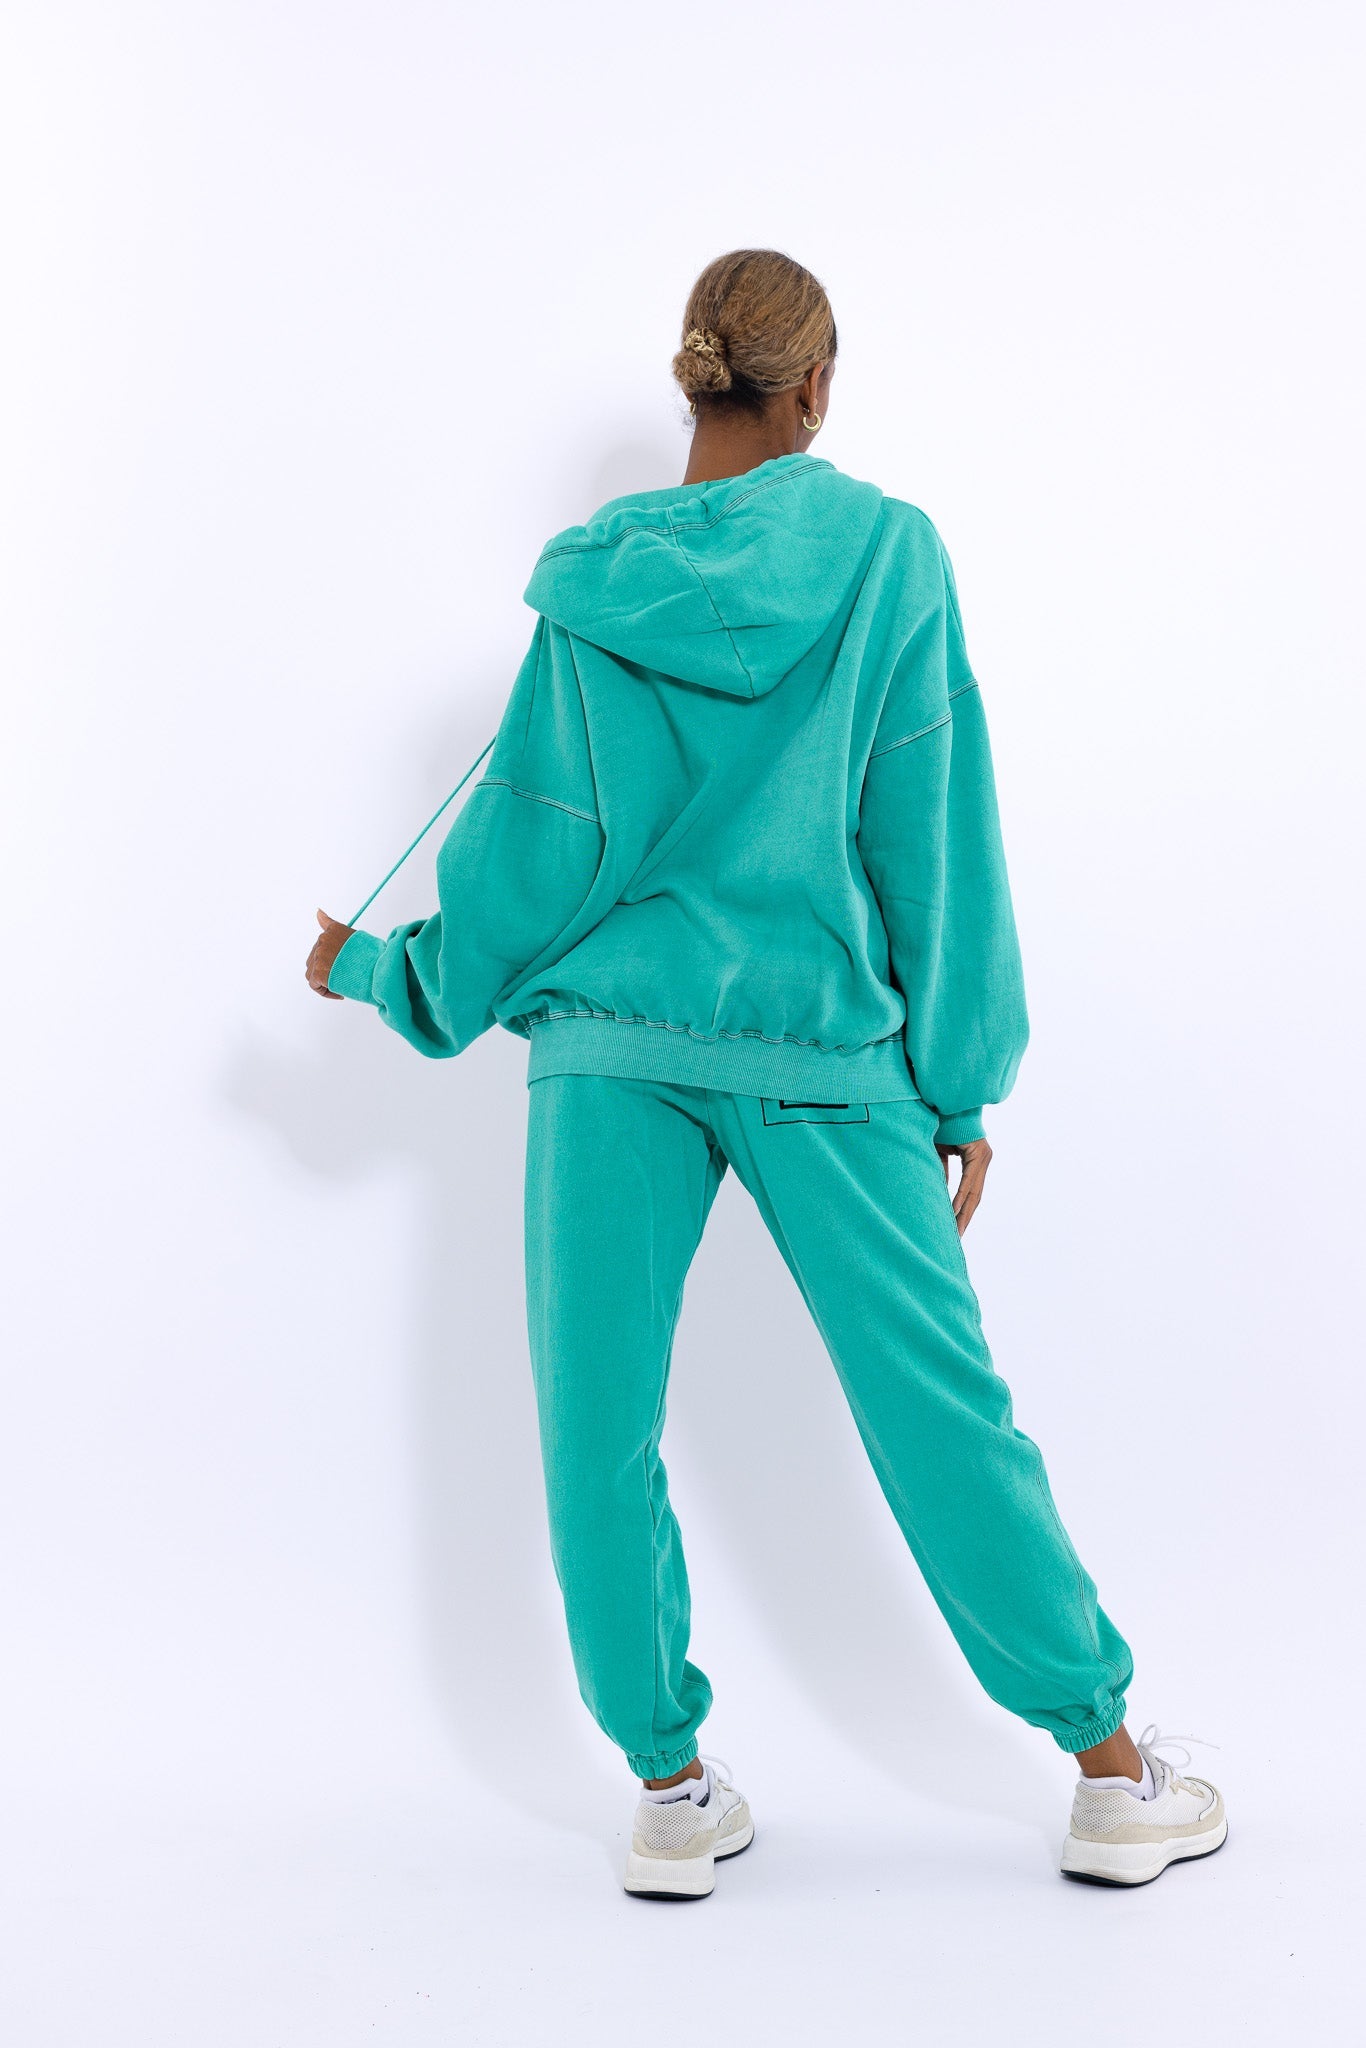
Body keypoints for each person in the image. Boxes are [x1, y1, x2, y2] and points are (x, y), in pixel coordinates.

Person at [306, 249, 1225, 1896]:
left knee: (597, 1427)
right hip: (825, 1055)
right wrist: (958, 1084)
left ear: (694, 384)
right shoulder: (888, 554)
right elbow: (929, 830)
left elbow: (532, 853)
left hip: (606, 1055)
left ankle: (667, 1791)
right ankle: (1109, 1774)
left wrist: (388, 971)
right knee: (941, 1414)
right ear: (813, 386)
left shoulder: (596, 585)